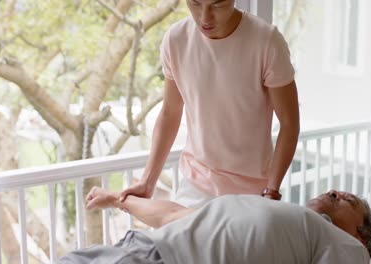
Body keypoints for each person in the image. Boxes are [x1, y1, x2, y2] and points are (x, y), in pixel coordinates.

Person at [119, 0, 300, 207]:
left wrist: (272, 192)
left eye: (217, 5)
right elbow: (170, 112)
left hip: (252, 192)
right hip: (195, 185)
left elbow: (289, 124)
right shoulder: (176, 39)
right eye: (195, 3)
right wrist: (147, 182)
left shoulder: (266, 41)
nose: (204, 17)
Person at [57, 188, 371, 264]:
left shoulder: (348, 248)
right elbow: (173, 214)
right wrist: (118, 199)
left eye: (347, 200)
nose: (334, 193)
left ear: (359, 237)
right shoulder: (287, 218)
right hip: (140, 247)